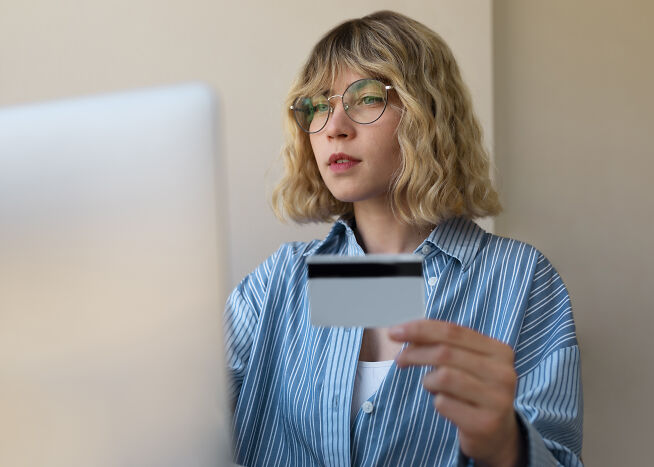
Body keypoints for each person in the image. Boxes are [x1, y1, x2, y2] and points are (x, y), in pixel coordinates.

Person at [225, 10, 582, 467]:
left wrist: (505, 445)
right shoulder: (279, 283)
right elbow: (178, 420)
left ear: (426, 112)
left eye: (367, 98)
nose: (334, 126)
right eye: (317, 106)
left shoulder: (522, 281)